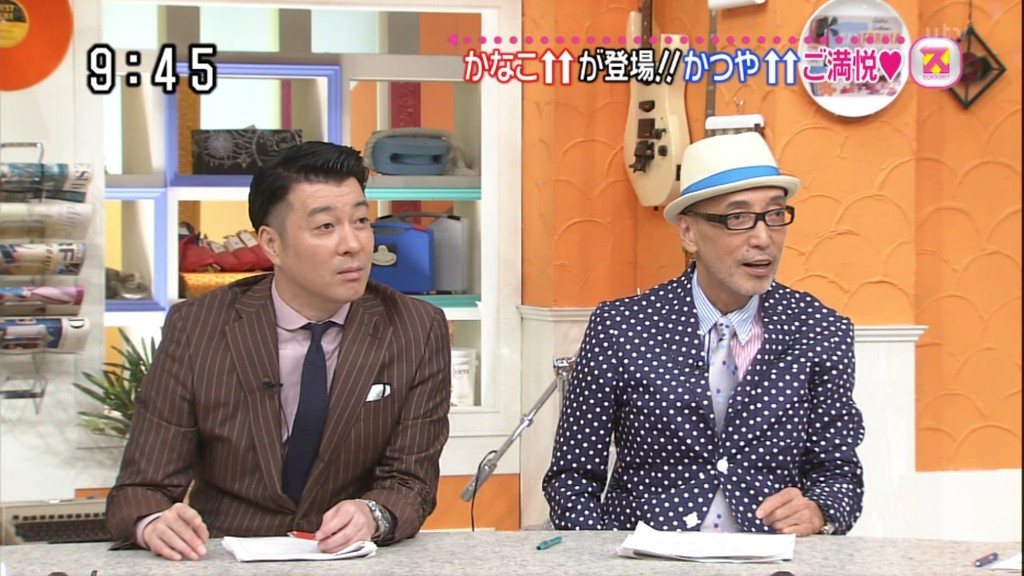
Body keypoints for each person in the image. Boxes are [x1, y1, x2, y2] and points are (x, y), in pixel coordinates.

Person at [107, 142, 452, 560]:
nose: (353, 244)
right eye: (325, 226)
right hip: (224, 558)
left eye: (361, 221)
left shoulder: (416, 328)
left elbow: (411, 482)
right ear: (271, 244)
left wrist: (373, 514)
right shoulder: (197, 327)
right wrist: (153, 522)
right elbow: (142, 487)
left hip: (347, 559)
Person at [542, 132, 865, 537]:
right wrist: (601, 556)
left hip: (770, 558)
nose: (763, 238)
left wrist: (820, 511)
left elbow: (839, 473)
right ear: (689, 233)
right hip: (643, 560)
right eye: (738, 218)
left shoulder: (820, 330)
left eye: (775, 215)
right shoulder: (621, 327)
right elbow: (571, 478)